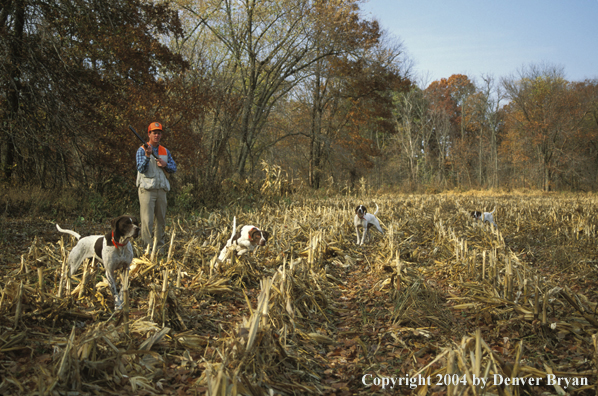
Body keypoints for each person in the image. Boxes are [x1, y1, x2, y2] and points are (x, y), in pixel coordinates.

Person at [136, 122, 177, 250]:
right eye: (154, 133)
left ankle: (160, 249)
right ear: (149, 134)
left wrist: (166, 165)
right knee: (147, 221)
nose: (157, 135)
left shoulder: (165, 151)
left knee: (161, 221)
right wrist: (148, 156)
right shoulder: (142, 150)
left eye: (159, 133)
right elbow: (141, 168)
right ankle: (147, 250)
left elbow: (174, 168)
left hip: (161, 190)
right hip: (146, 190)